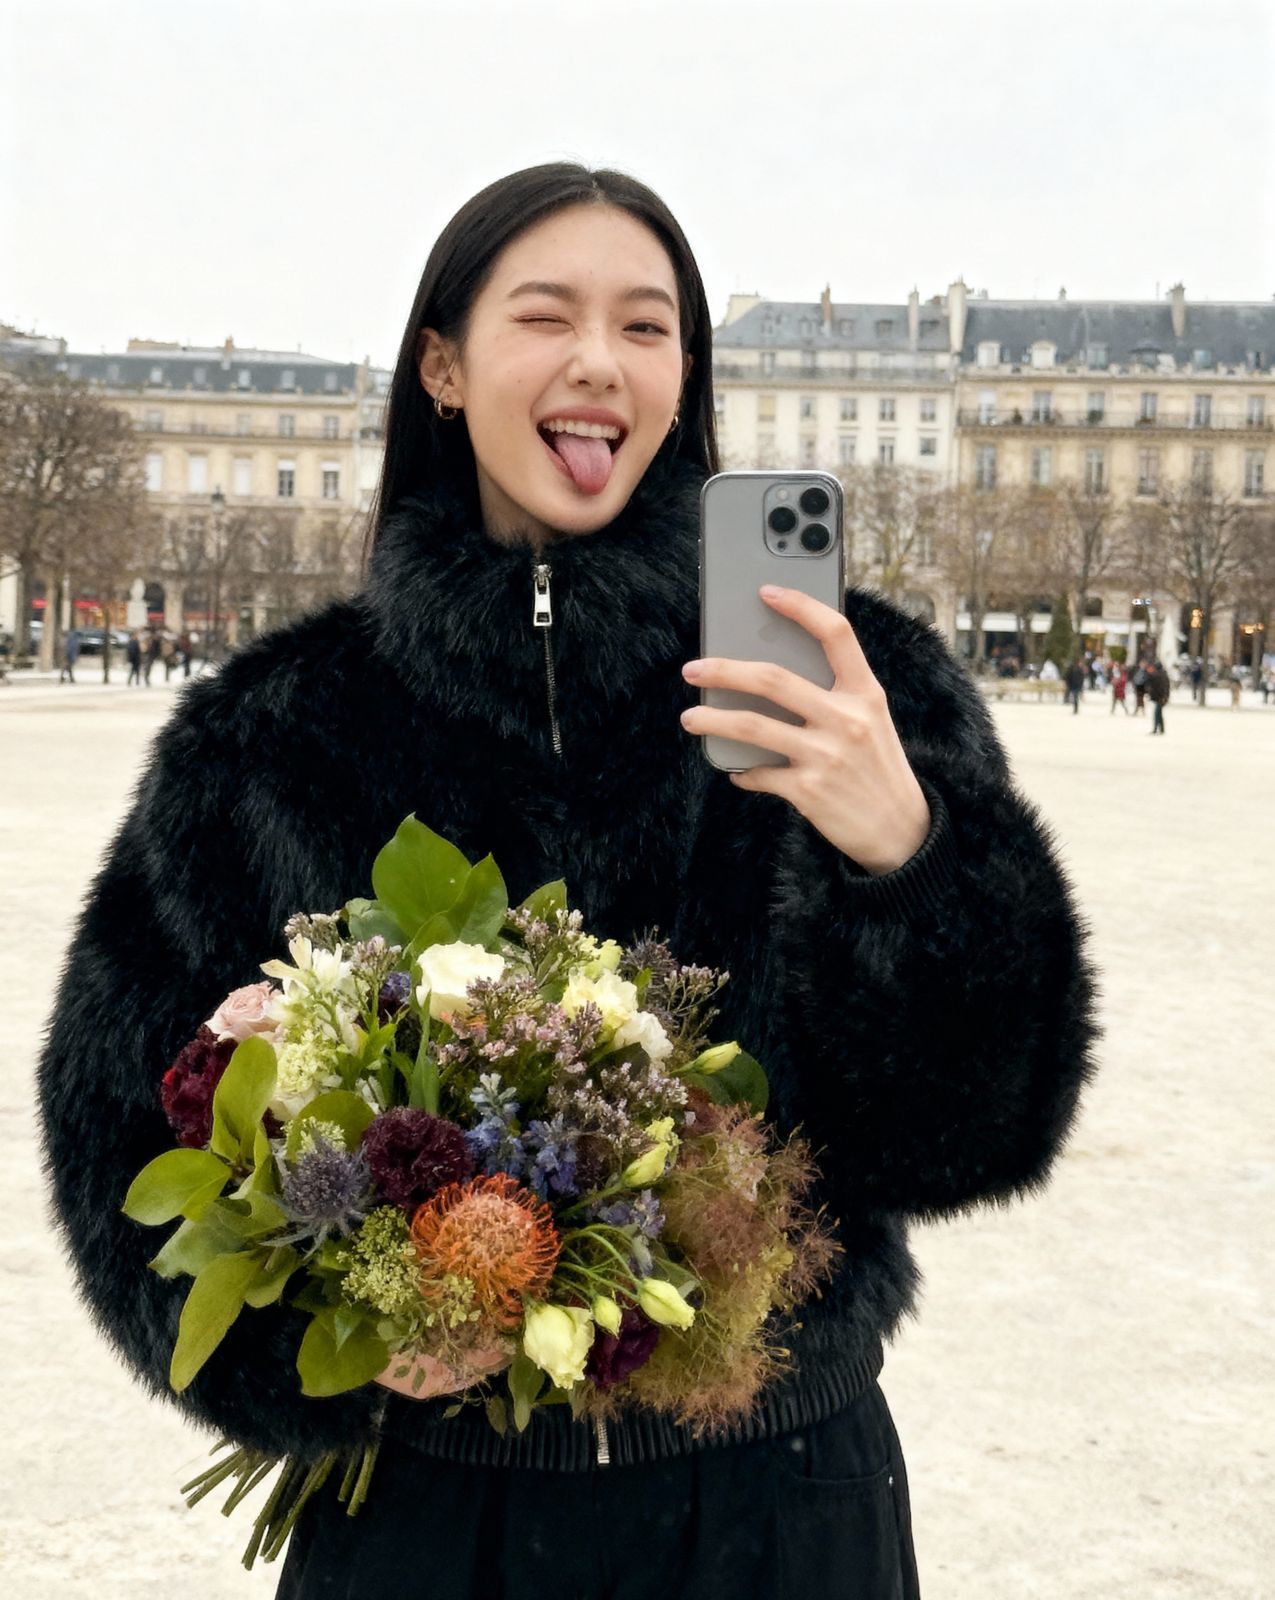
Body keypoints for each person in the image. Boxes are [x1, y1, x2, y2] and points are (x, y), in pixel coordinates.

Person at [35, 164, 1097, 1600]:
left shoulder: (854, 686)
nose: (599, 361)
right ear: (444, 365)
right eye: (547, 315)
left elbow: (976, 1135)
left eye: (646, 328)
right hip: (424, 1518)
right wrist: (334, 1356)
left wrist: (906, 861)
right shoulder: (276, 730)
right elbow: (120, 1146)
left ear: (682, 379)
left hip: (777, 1503)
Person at [1148, 659, 1170, 734]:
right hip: (1161, 697)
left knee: (1157, 714)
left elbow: (1161, 687)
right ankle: (1161, 729)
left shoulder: (1159, 675)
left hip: (1160, 698)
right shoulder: (1163, 674)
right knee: (1159, 714)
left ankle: (1156, 729)